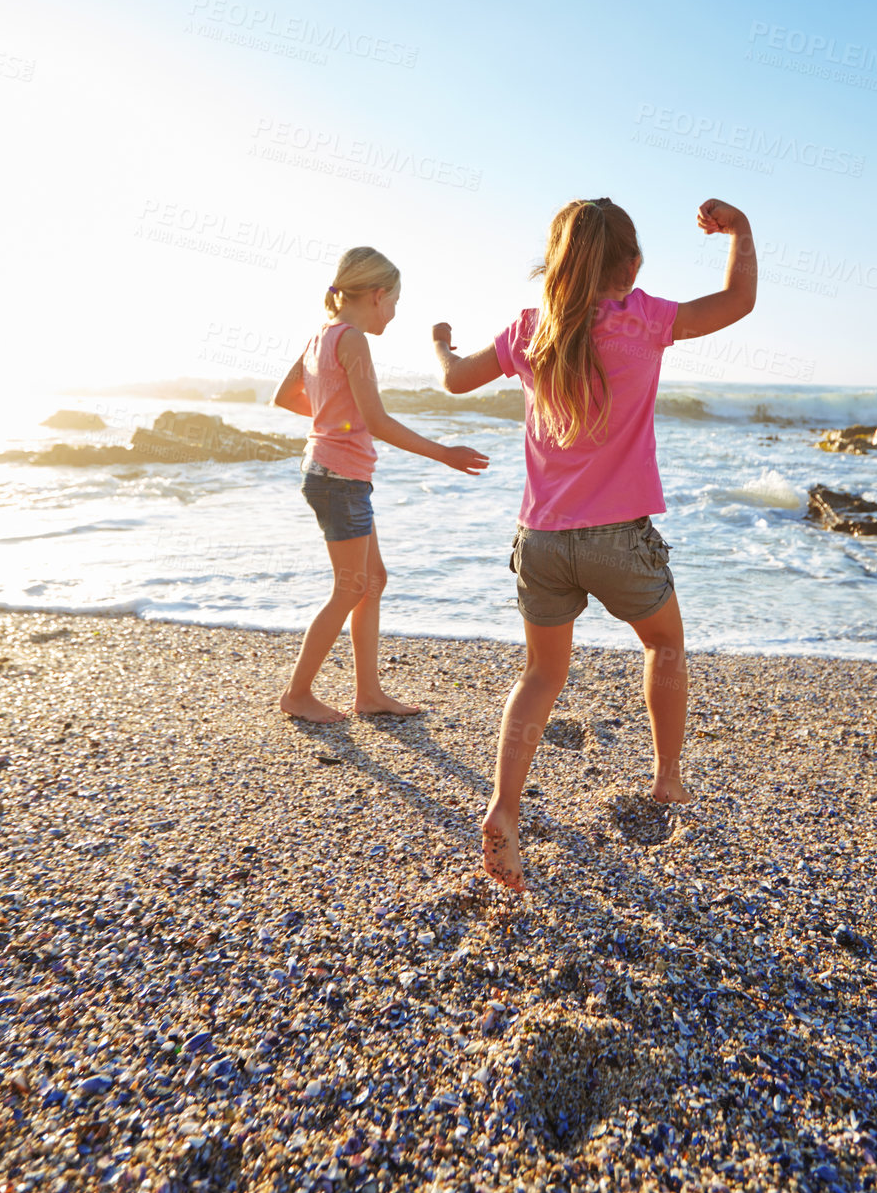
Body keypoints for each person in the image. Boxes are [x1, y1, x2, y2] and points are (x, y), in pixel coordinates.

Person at [432, 196, 757, 892]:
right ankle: (667, 779)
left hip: (541, 539)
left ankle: (504, 807)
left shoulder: (529, 330)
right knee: (663, 645)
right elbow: (736, 301)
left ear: (555, 265)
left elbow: (455, 380)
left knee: (542, 676)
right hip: (617, 540)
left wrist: (441, 345)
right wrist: (741, 233)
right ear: (632, 267)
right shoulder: (646, 319)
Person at [275, 245, 488, 724]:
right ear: (375, 295)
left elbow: (285, 396)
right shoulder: (352, 340)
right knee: (350, 587)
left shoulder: (320, 336)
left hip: (331, 473)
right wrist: (445, 454)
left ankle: (368, 692)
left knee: (372, 582)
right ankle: (298, 693)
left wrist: (334, 416)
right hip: (339, 478)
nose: (393, 312)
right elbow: (378, 421)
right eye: (393, 301)